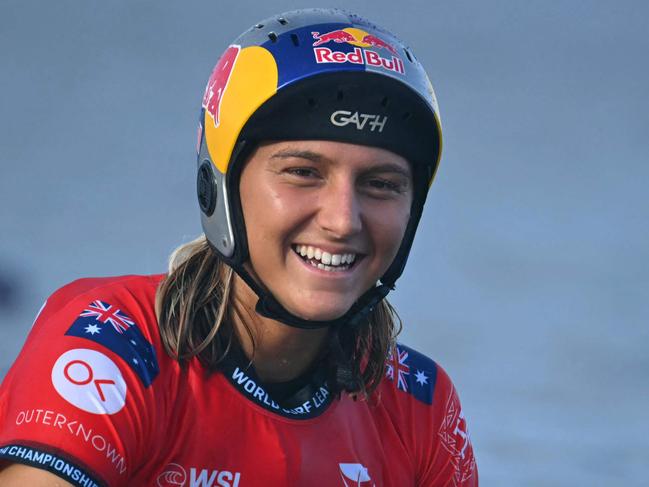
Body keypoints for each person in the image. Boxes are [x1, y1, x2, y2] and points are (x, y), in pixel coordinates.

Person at [0, 8, 477, 486]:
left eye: (380, 184)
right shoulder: (113, 341)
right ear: (219, 189)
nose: (342, 221)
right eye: (303, 173)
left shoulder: (420, 404)